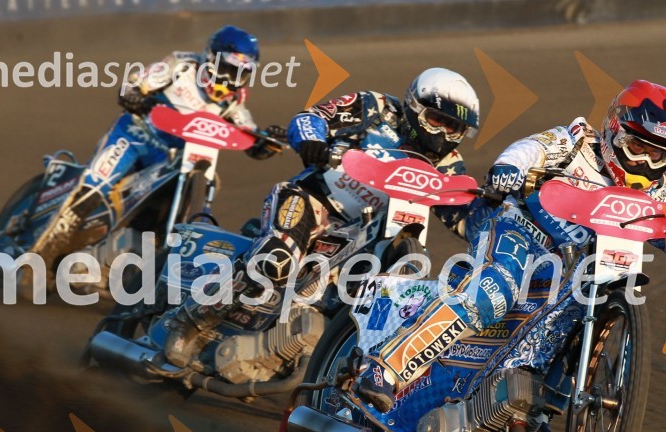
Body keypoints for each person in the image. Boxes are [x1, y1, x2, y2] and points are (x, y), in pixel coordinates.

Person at [353, 80, 666, 432]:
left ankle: (537, 405)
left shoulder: (654, 191)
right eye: (638, 146)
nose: (646, 160)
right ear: (614, 131)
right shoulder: (576, 140)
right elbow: (527, 150)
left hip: (570, 268)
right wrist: (509, 168)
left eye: (658, 153)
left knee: (581, 309)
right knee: (493, 292)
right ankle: (384, 369)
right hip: (522, 231)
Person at [163, 67, 480, 367]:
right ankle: (192, 318)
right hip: (313, 202)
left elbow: (465, 218)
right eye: (437, 119)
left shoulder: (449, 164)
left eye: (454, 127)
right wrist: (313, 140)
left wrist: (499, 213)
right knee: (277, 257)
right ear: (415, 106)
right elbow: (312, 117)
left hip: (366, 233)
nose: (443, 133)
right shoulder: (375, 108)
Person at [26, 25, 286, 288]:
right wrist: (134, 95)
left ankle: (127, 264)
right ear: (212, 57)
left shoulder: (234, 100)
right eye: (230, 67)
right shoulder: (182, 65)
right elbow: (134, 83)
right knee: (95, 187)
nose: (234, 76)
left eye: (243, 71)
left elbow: (247, 131)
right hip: (135, 136)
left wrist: (266, 142)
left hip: (172, 158)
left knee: (185, 196)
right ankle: (39, 258)